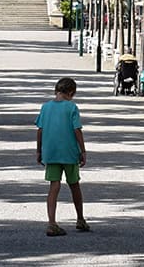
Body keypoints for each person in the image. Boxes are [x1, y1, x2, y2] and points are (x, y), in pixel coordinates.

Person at [35, 77, 89, 236]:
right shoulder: (72, 107)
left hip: (51, 152)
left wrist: (39, 150)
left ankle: (51, 222)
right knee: (74, 185)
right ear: (71, 92)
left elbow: (40, 130)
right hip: (69, 151)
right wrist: (83, 150)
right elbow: (77, 130)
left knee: (54, 185)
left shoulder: (45, 107)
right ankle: (80, 219)